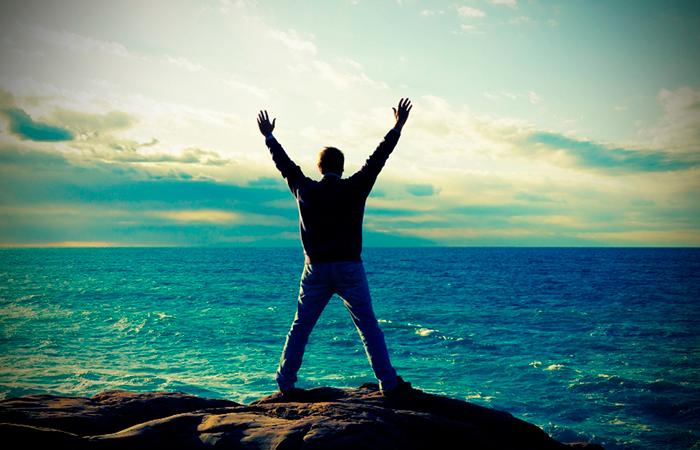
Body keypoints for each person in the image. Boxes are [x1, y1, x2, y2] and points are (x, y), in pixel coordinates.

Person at [257, 98, 413, 396]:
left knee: (301, 327)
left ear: (319, 168)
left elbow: (285, 166)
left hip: (315, 269)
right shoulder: (354, 187)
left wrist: (269, 137)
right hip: (349, 267)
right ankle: (389, 384)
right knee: (368, 327)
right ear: (342, 168)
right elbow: (378, 158)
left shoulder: (305, 190)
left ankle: (285, 383)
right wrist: (398, 126)